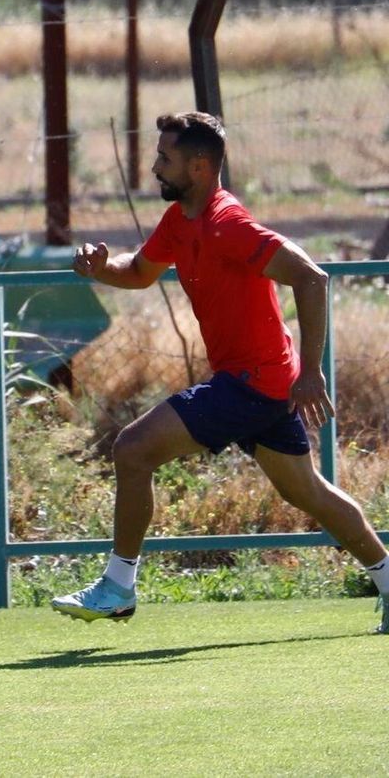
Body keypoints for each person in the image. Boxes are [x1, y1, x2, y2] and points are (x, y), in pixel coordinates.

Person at [54, 111, 389, 632]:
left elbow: (311, 277)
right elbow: (141, 272)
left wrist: (313, 372)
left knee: (132, 449)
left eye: (166, 158)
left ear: (200, 166)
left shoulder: (228, 224)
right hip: (261, 382)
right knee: (308, 493)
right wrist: (102, 268)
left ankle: (118, 586)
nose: (155, 166)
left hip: (252, 382)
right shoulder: (179, 221)